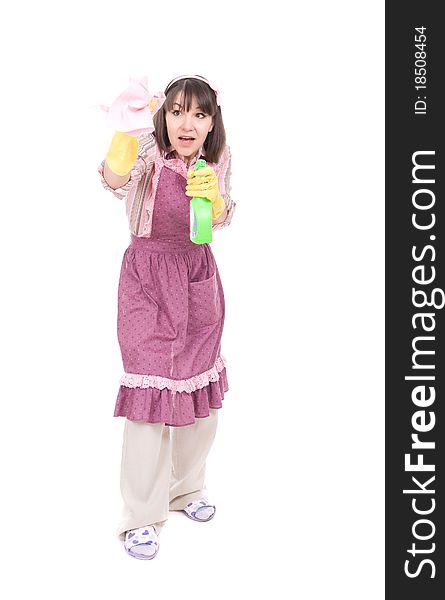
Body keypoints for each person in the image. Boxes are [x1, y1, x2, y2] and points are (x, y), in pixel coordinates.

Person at [97, 74, 236, 560]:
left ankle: (185, 489)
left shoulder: (218, 160)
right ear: (162, 114)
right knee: (148, 395)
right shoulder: (146, 151)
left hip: (198, 280)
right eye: (177, 111)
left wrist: (216, 199)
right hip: (146, 281)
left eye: (200, 114)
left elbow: (222, 216)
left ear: (212, 121)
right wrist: (121, 140)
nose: (187, 122)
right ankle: (140, 516)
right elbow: (114, 180)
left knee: (199, 390)